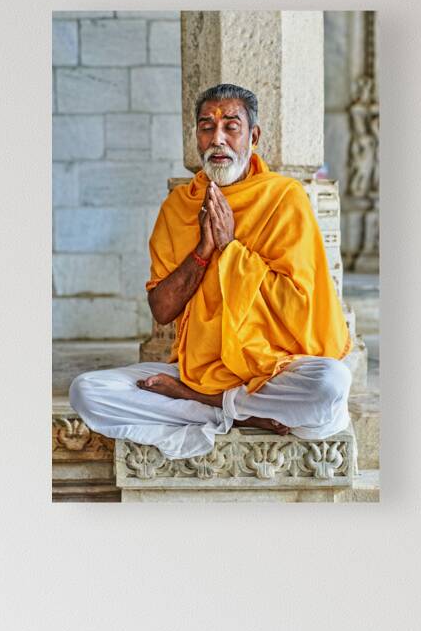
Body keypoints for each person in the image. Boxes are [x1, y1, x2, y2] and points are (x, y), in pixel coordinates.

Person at [69, 83, 352, 460]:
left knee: (330, 387)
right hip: (200, 368)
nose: (217, 139)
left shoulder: (284, 198)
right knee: (87, 391)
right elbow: (162, 309)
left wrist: (231, 248)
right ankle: (244, 411)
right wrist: (203, 250)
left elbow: (301, 308)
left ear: (253, 136)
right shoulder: (179, 207)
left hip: (271, 371)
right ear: (196, 137)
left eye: (230, 127)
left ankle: (206, 403)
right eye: (206, 127)